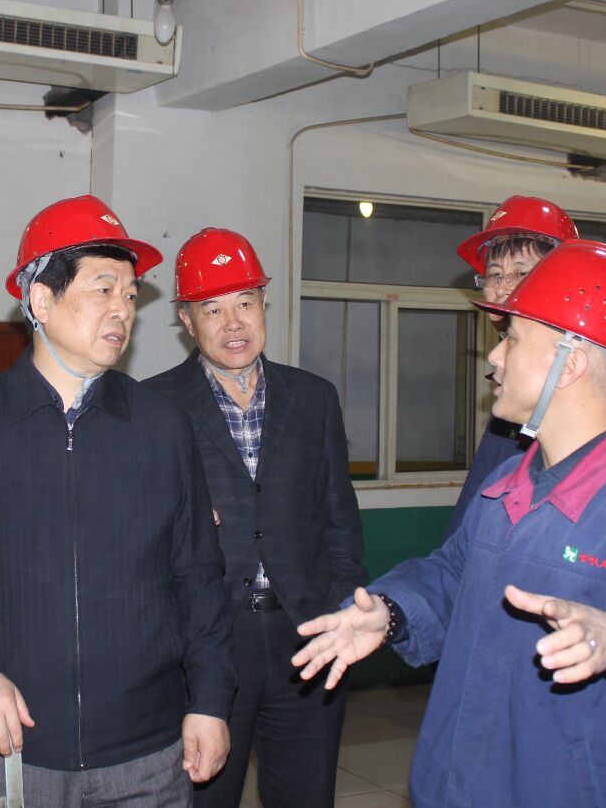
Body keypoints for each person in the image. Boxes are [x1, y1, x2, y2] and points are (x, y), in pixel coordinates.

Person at [292, 240, 606, 807]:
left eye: (514, 339)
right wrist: (392, 612)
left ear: (570, 362)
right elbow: (453, 577)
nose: (494, 357)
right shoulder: (506, 488)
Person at [0, 194, 237, 806]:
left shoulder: (161, 427)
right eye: (103, 289)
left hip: (149, 748)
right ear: (41, 300)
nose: (122, 309)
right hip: (17, 747)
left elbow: (198, 574)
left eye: (130, 295)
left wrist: (210, 700)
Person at [143, 227, 366, 808]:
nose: (233, 323)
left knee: (305, 795)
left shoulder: (314, 398)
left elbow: (339, 519)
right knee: (204, 795)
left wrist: (342, 611)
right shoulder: (153, 407)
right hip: (207, 643)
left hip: (307, 636)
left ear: (265, 303)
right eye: (212, 310)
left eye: (245, 303)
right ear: (186, 320)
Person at [443, 195, 578, 540]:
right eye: (494, 274)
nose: (501, 287)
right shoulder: (513, 386)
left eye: (520, 273)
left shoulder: (569, 379)